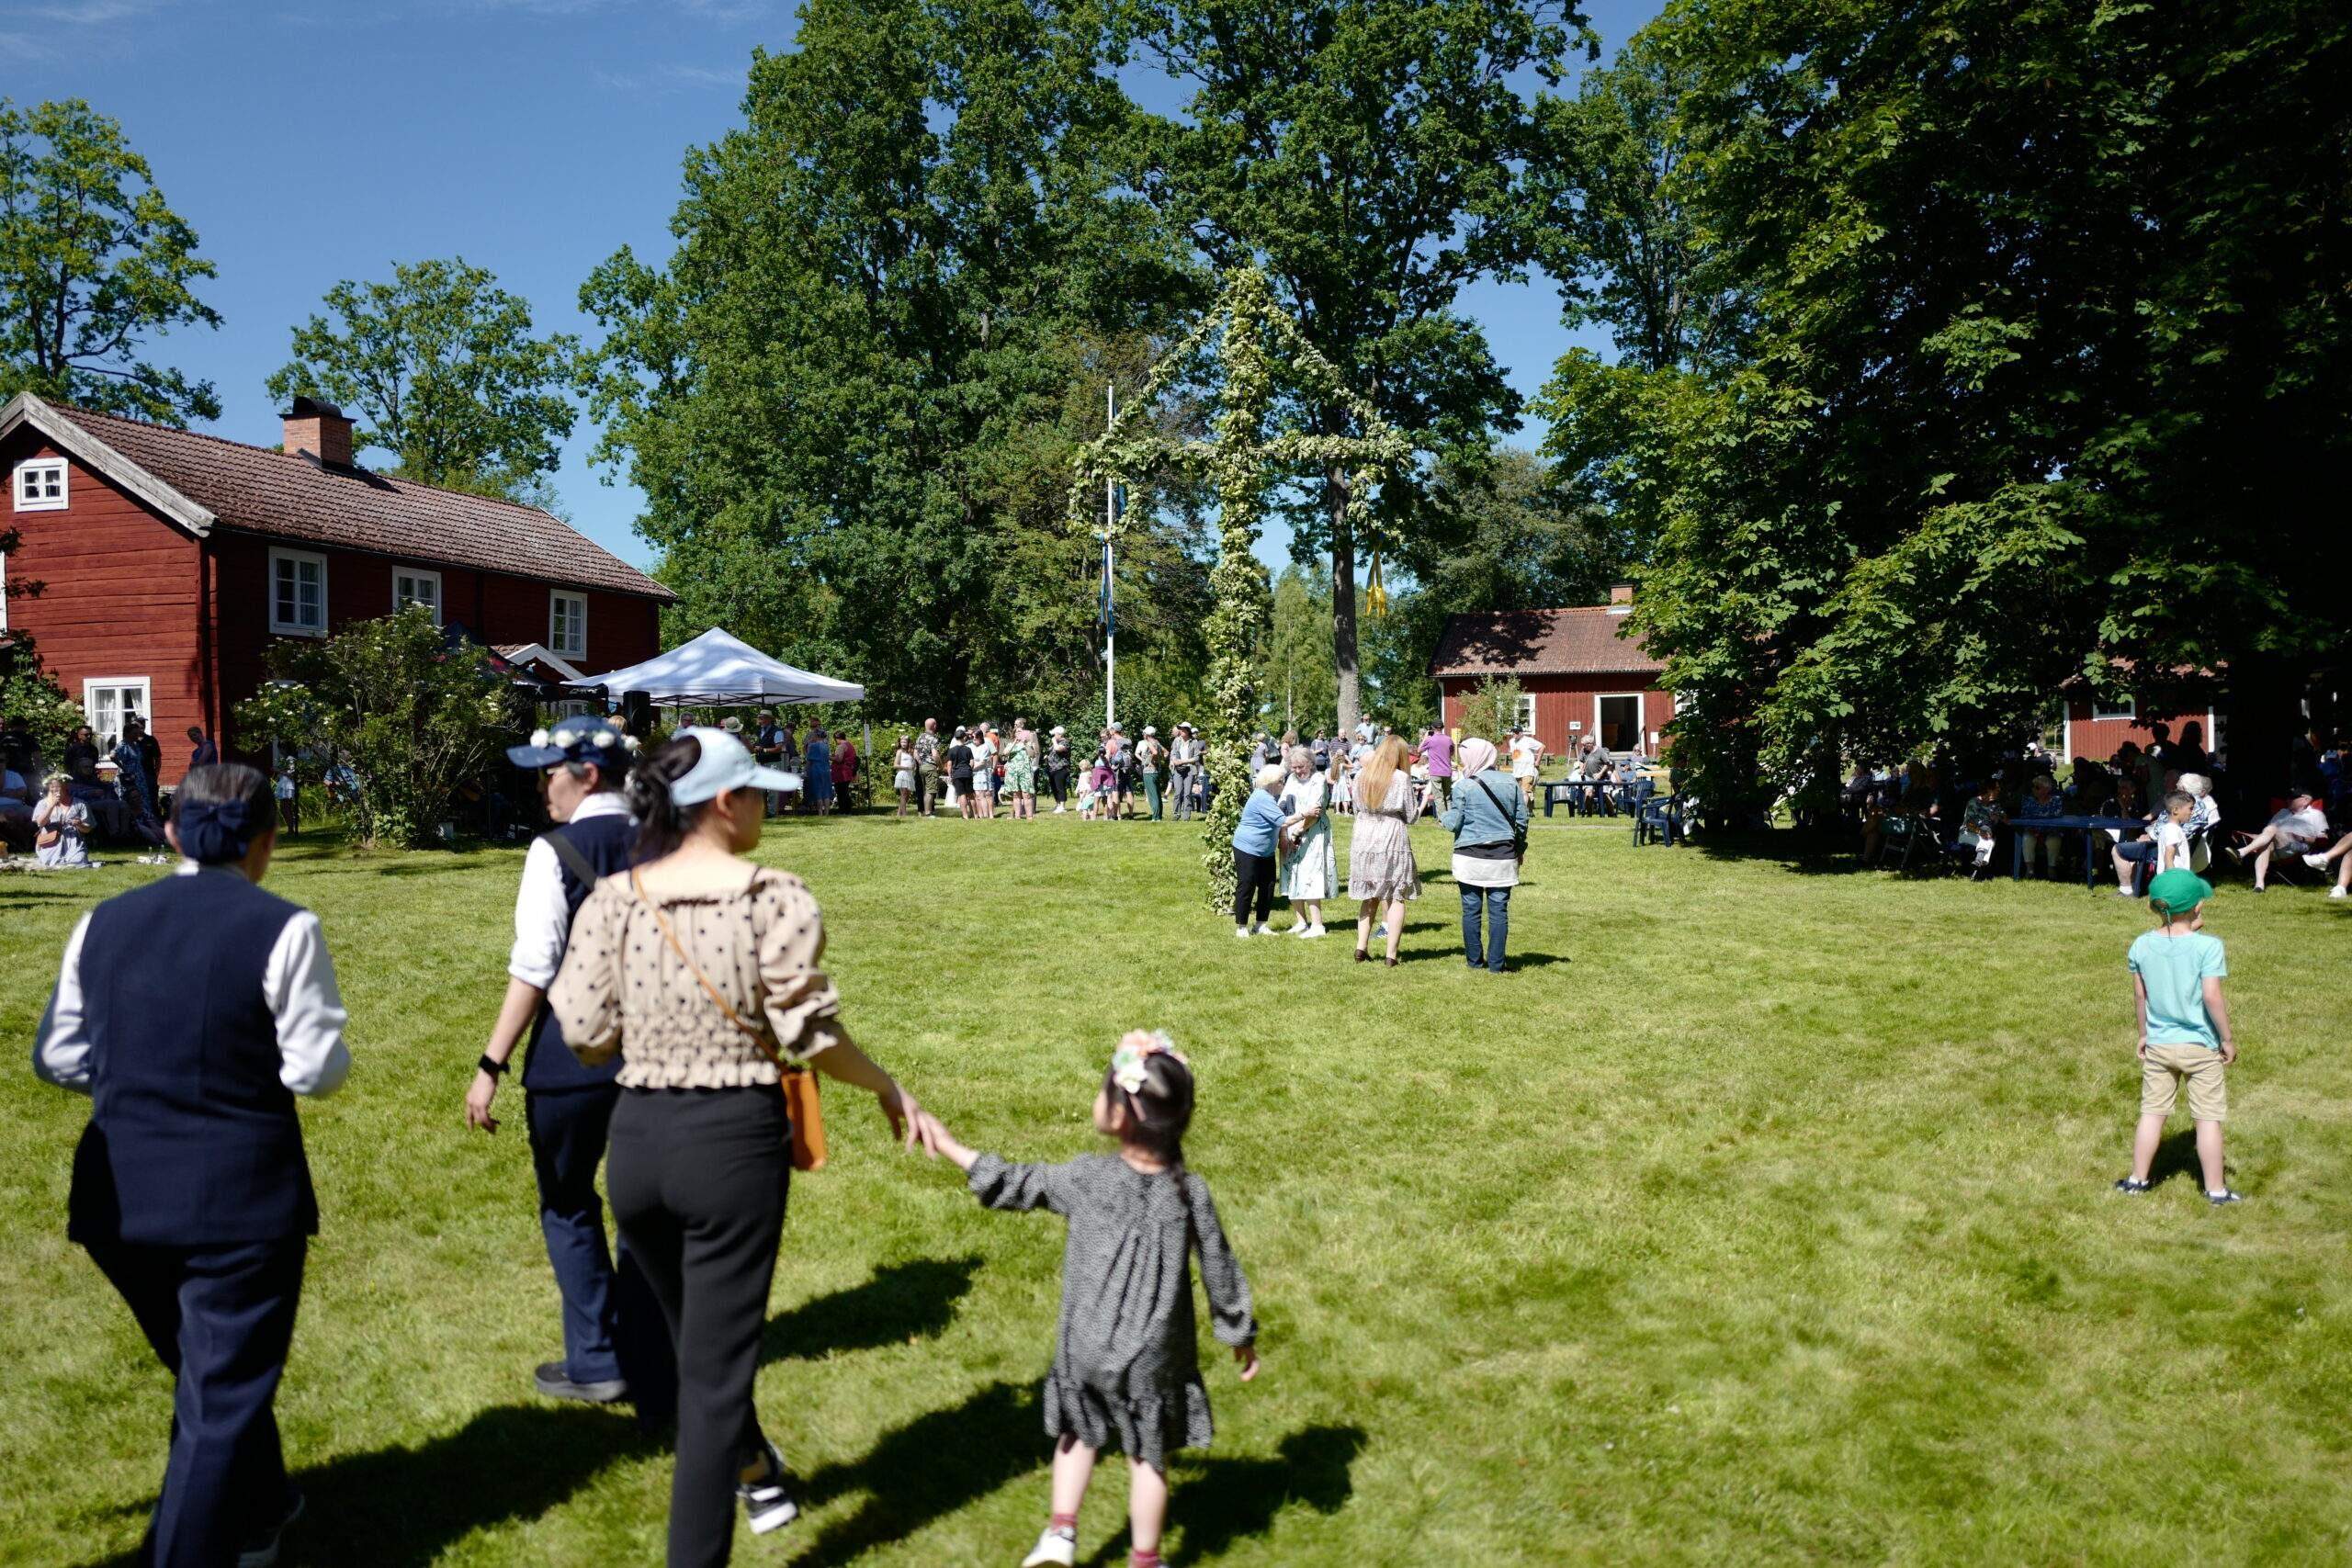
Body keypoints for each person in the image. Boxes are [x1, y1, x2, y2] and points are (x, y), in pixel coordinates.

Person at [548, 728, 937, 1566]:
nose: (767, 806)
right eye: (759, 792)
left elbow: (582, 1031)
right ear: (725, 803)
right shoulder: (773, 897)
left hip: (637, 1145)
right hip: (731, 1146)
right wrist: (886, 1085)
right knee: (714, 1382)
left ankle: (756, 1467)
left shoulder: (613, 899)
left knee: (698, 1342)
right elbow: (811, 1033)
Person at [34, 763, 350, 1566]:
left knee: (210, 1371)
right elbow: (315, 1070)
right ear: (267, 842)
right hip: (235, 1202)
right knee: (219, 1395)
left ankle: (264, 1503)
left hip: (116, 1200)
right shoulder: (284, 926)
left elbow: (58, 1056)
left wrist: (138, 1073)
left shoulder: (102, 920)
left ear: (171, 831)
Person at [916, 1032, 1257, 1568]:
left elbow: (1018, 1183)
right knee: (1148, 1456)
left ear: (1119, 1115)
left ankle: (1060, 1533)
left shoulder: (1087, 1178)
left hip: (1086, 1346)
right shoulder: (1191, 1193)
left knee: (1078, 1431)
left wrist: (952, 1147)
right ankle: (1145, 1559)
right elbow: (1219, 1264)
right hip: (1154, 1356)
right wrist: (1238, 1332)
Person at [468, 716, 673, 1416]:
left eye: (548, 773)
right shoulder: (665, 839)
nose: (541, 787)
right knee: (645, 1210)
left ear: (585, 776)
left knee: (568, 1203)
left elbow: (535, 966)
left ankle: (598, 1361)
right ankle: (651, 1354)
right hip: (658, 1055)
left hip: (571, 1059)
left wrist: (490, 1062)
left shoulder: (553, 850)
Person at [2113, 870, 2241, 1204]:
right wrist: (2227, 1039)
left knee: (2152, 1113)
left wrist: (2143, 1034)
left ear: (2154, 907)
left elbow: (2140, 996)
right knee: (2207, 1119)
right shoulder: (2209, 947)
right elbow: (2212, 996)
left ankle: (2137, 1180)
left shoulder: (2141, 945)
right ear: (2198, 906)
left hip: (2159, 1045)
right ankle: (2216, 1190)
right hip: (2201, 1047)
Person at [1441, 738, 1527, 974]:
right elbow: (1521, 821)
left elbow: (1454, 823)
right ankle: (1497, 965)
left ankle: (1474, 962)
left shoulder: (1463, 786)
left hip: (1469, 855)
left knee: (1471, 909)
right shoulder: (1510, 782)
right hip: (1503, 853)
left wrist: (1441, 814)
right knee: (1499, 911)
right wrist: (1519, 849)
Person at [1348, 736, 1423, 966]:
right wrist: (1422, 803)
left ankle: (1361, 947)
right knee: (1396, 894)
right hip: (1391, 834)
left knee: (1369, 893)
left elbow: (1355, 807)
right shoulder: (1401, 778)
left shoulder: (1362, 775)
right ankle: (1391, 955)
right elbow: (1410, 815)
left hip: (1364, 834)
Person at [1276, 746, 1333, 937]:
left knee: (1310, 874)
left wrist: (1299, 831)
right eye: (1294, 767)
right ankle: (1301, 922)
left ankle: (1317, 925)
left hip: (1312, 831)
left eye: (1301, 767)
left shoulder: (1318, 779)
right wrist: (1283, 832)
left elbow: (1315, 811)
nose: (1298, 771)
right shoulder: (1292, 779)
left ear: (1310, 763)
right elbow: (1282, 804)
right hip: (1291, 828)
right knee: (1291, 872)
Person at [2226, 790, 2329, 892]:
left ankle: (2242, 852)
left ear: (2305, 800)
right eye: (2287, 798)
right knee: (2266, 843)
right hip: (2276, 844)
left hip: (2298, 845)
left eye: (2292, 798)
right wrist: (2253, 836)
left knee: (2272, 829)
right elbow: (2267, 834)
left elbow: (2323, 838)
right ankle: (2259, 885)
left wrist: (2302, 838)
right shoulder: (2282, 812)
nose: (2287, 800)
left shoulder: (2316, 814)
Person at [1229, 764, 1288, 937]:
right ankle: (1241, 927)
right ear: (1271, 782)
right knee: (1246, 885)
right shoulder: (1262, 797)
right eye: (1281, 781)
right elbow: (1282, 821)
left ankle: (1260, 925)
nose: (1283, 784)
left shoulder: (1269, 797)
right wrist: (1305, 814)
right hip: (1247, 848)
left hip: (1265, 851)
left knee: (1268, 886)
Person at [2114, 788, 2194, 897]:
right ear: (2175, 810)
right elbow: (2168, 856)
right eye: (2190, 808)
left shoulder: (2168, 828)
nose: (2192, 812)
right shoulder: (2173, 831)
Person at [2015, 773, 2067, 878]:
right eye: (2033, 787)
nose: (2034, 789)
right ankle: (2030, 870)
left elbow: (2057, 819)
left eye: (2037, 787)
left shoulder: (2056, 800)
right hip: (2032, 830)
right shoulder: (2028, 800)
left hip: (2051, 831)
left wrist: (2044, 832)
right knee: (2027, 838)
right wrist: (2035, 831)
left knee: (2054, 840)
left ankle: (2051, 868)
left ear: (2047, 790)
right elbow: (2025, 817)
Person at [34, 775, 93, 867]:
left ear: (66, 787)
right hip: (50, 842)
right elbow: (40, 823)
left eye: (58, 787)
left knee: (79, 861)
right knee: (49, 862)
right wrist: (52, 805)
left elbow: (88, 829)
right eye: (52, 787)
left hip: (73, 842)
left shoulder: (80, 803)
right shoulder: (42, 804)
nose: (55, 790)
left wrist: (80, 824)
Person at [1959, 778, 2006, 880]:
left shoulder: (1995, 804)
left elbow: (2006, 819)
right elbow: (1968, 824)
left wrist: (1998, 817)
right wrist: (1981, 831)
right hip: (1968, 833)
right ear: (1989, 789)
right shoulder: (1973, 802)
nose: (1999, 790)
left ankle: (1977, 864)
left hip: (1986, 834)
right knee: (1988, 838)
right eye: (1997, 788)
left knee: (1989, 840)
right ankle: (1980, 864)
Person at [753, 710, 786, 817]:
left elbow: (779, 748)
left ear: (769, 719)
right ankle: (762, 812)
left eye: (762, 718)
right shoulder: (759, 731)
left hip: (773, 763)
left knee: (773, 790)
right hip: (761, 763)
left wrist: (763, 749)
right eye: (760, 718)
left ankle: (772, 813)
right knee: (760, 789)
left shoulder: (777, 731)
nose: (760, 720)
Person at [1169, 723, 1203, 822]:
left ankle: (1186, 816)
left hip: (1189, 770)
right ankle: (1176, 814)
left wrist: (1183, 761)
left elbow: (1196, 758)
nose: (1181, 731)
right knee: (1177, 793)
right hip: (1178, 770)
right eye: (1180, 729)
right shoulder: (1176, 740)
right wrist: (1173, 760)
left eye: (1183, 729)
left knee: (1187, 793)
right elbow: (1173, 753)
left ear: (1188, 731)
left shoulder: (1194, 742)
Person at [1003, 724, 1036, 819]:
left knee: (1027, 794)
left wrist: (1025, 744)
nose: (1019, 733)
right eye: (1017, 732)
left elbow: (1032, 755)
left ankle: (1029, 816)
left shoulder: (1028, 744)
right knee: (1015, 794)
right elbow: (1005, 753)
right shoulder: (1010, 744)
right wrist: (1015, 742)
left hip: (1025, 771)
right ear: (1014, 734)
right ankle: (1017, 816)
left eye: (1021, 731)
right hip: (1013, 772)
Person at [913, 718, 944, 818]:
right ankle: (928, 813)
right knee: (930, 791)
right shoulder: (933, 739)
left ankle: (926, 811)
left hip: (921, 767)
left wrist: (920, 762)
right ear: (934, 726)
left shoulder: (920, 737)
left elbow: (915, 753)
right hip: (930, 766)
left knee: (926, 790)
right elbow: (935, 755)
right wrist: (940, 766)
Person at [1507, 726, 1544, 805]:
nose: (1514, 734)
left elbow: (1542, 747)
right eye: (1513, 732)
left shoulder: (1528, 740)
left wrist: (1538, 761)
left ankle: (1523, 810)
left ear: (1521, 733)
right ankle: (1529, 809)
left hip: (1528, 771)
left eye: (1516, 732)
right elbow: (1513, 753)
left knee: (1525, 791)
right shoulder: (1511, 741)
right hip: (1516, 772)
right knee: (1519, 792)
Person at [1420, 725, 1453, 810]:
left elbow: (1419, 750)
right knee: (1448, 798)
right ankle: (1450, 817)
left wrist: (1425, 738)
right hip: (1447, 771)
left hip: (1435, 772)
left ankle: (1442, 818)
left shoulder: (1430, 740)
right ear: (1442, 728)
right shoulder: (1449, 739)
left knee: (1439, 798)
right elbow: (1451, 753)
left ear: (1433, 728)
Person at [1137, 726, 1166, 821]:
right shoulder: (1157, 742)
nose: (1143, 735)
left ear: (1147, 734)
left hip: (1149, 772)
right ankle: (1159, 816)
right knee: (1157, 794)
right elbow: (1166, 753)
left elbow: (1154, 752)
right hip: (1156, 771)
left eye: (1144, 733)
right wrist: (1159, 760)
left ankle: (1155, 817)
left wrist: (1150, 761)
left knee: (1152, 796)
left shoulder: (1148, 742)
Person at [803, 728, 833, 816]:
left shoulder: (812, 746)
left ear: (816, 736)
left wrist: (806, 770)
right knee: (826, 791)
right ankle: (827, 812)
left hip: (816, 769)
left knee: (818, 790)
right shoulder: (826, 745)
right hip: (826, 769)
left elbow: (809, 760)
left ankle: (820, 812)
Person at [948, 728, 977, 819]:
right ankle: (975, 815)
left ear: (956, 738)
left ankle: (965, 815)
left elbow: (949, 764)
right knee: (971, 795)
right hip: (967, 773)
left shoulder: (951, 750)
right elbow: (972, 762)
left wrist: (950, 775)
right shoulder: (968, 749)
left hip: (957, 774)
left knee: (962, 794)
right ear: (964, 737)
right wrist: (968, 769)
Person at [972, 727, 999, 820]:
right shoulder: (973, 745)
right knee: (978, 795)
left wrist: (994, 767)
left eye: (975, 738)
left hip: (985, 771)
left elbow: (994, 754)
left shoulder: (987, 743)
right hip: (975, 772)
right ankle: (981, 815)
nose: (973, 739)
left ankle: (989, 814)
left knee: (987, 793)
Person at [1046, 726, 1074, 813]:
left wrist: (1054, 741)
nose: (1053, 736)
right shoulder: (1056, 742)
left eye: (1054, 734)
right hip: (1052, 769)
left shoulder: (1065, 742)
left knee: (1060, 787)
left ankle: (1062, 806)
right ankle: (1058, 805)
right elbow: (1052, 751)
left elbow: (1058, 749)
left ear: (1059, 734)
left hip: (1061, 768)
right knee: (1054, 787)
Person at [830, 729, 858, 810]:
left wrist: (829, 757)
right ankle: (847, 810)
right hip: (849, 770)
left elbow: (839, 759)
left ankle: (843, 810)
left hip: (842, 772)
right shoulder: (849, 744)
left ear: (836, 738)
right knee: (845, 791)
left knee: (840, 792)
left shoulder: (841, 746)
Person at [892, 734, 918, 818]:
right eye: (902, 742)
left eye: (905, 742)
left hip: (910, 775)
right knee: (903, 794)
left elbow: (913, 763)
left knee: (906, 796)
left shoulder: (911, 752)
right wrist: (906, 767)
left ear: (908, 742)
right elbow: (895, 765)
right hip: (902, 774)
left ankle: (898, 814)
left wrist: (914, 766)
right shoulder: (899, 751)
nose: (903, 743)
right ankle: (904, 814)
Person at [274, 760, 300, 836]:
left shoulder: (291, 760)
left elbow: (291, 775)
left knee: (286, 808)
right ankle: (290, 827)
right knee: (283, 808)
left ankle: (291, 829)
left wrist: (279, 771)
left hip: (288, 788)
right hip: (283, 787)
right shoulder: (284, 761)